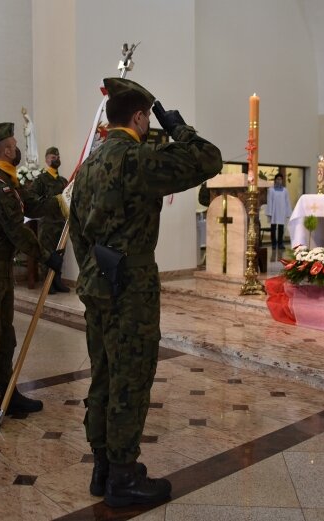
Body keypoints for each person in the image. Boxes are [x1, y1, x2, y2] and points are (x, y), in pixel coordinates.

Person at [69, 77, 222, 507]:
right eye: (147, 120)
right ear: (139, 117)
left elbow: (79, 233)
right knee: (131, 379)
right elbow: (208, 159)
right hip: (131, 286)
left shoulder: (90, 165)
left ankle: (102, 466)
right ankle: (122, 477)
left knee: (102, 374)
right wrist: (177, 127)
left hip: (97, 283)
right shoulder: (137, 160)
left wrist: (95, 273)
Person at [0, 122, 64, 434]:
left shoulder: (6, 181)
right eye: (14, 142)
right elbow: (18, 232)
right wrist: (47, 256)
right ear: (7, 150)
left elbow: (31, 203)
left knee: (5, 337)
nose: (17, 146)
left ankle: (10, 393)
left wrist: (64, 200)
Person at [30, 146, 70, 293]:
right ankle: (47, 283)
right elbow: (32, 198)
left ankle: (57, 280)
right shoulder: (40, 180)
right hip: (47, 223)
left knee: (59, 253)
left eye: (58, 156)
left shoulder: (63, 181)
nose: (56, 159)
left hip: (60, 223)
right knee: (47, 254)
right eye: (53, 157)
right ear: (46, 159)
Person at [266, 173, 292, 249]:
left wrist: (288, 212)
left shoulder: (285, 190)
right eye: (277, 179)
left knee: (281, 228)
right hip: (274, 211)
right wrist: (269, 212)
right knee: (273, 228)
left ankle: (280, 243)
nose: (279, 181)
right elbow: (269, 201)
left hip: (282, 211)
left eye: (280, 179)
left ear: (282, 180)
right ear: (275, 180)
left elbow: (287, 201)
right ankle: (274, 243)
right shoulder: (271, 190)